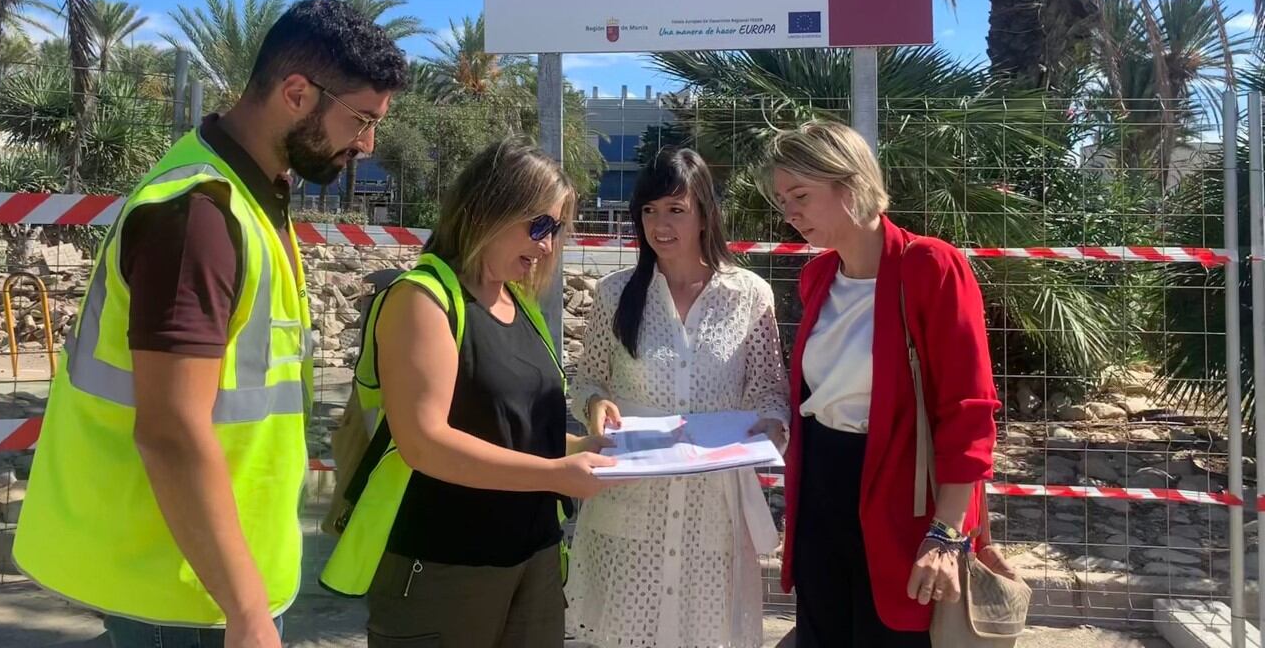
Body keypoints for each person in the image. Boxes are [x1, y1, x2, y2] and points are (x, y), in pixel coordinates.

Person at [13, 0, 407, 647]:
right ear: (297, 93)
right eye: (361, 120)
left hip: (210, 580)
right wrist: (247, 612)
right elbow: (170, 432)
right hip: (183, 594)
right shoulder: (200, 215)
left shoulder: (252, 193)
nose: (366, 144)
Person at [321, 137, 619, 648]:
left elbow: (512, 435)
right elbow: (424, 443)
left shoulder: (520, 304)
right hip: (443, 569)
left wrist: (589, 453)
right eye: (540, 225)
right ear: (489, 208)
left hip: (534, 563)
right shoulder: (422, 300)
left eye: (556, 230)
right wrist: (553, 474)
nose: (548, 245)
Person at [763, 119, 1011, 647]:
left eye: (801, 194)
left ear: (849, 185)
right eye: (783, 198)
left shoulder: (930, 265)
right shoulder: (817, 276)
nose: (790, 211)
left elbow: (969, 410)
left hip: (903, 496)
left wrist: (946, 534)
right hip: (820, 488)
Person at [567, 146, 789, 648]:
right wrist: (595, 406)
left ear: (705, 214)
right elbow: (587, 381)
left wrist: (773, 425)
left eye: (675, 209)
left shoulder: (749, 296)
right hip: (630, 504)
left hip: (712, 512)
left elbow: (770, 389)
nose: (659, 225)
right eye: (648, 210)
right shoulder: (615, 293)